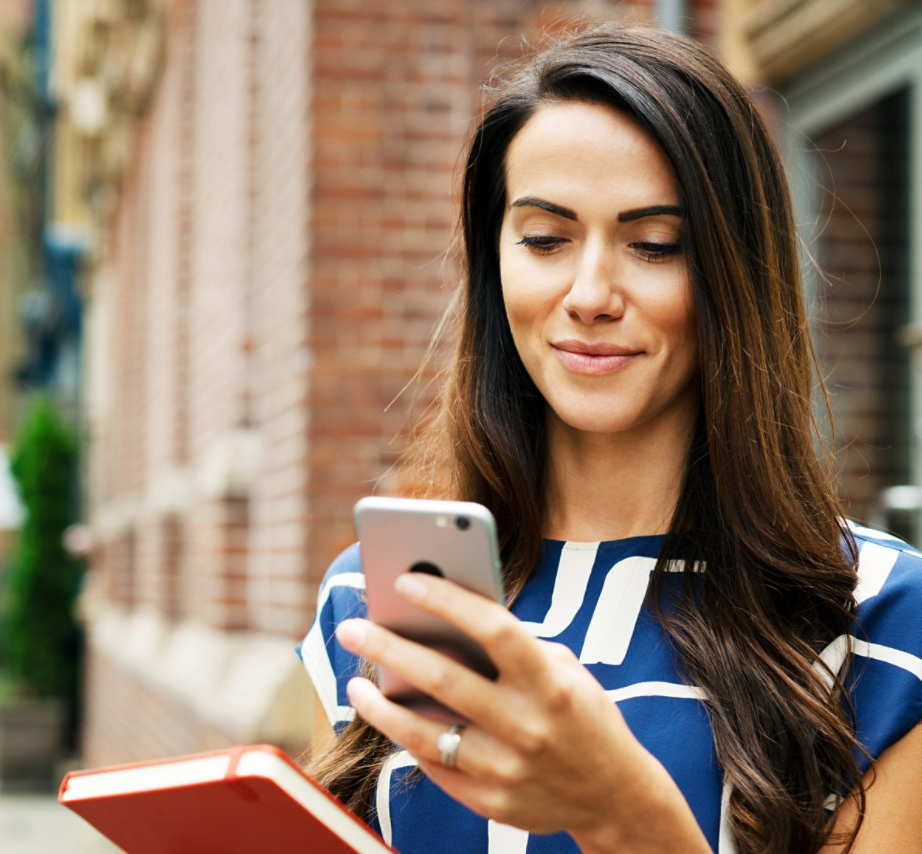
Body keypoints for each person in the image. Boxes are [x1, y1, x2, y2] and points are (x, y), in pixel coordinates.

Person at [297, 22, 922, 854]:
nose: (590, 292)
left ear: (734, 277)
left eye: (655, 245)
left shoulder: (882, 619)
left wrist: (622, 814)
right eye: (546, 239)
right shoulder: (384, 600)